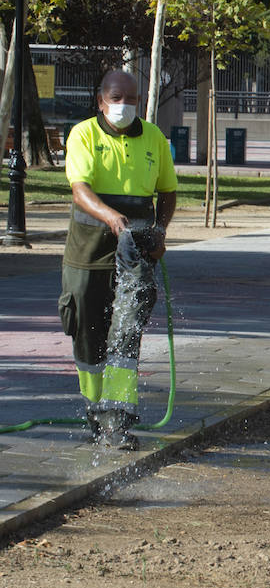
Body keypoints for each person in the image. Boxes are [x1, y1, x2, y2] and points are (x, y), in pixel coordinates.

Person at [59, 70, 177, 450]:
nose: (123, 105)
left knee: (125, 335)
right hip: (88, 253)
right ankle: (95, 408)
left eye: (130, 98)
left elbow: (168, 191)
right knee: (87, 334)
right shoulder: (84, 135)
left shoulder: (154, 138)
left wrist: (160, 230)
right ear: (100, 101)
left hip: (135, 255)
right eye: (115, 97)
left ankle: (117, 420)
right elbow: (80, 190)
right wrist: (110, 217)